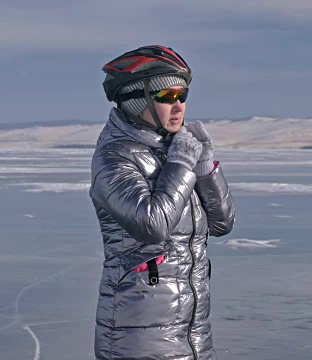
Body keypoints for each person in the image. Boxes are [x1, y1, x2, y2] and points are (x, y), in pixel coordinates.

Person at [89, 45, 236, 359]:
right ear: (136, 99)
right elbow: (151, 225)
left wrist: (205, 165)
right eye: (166, 96)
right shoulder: (114, 159)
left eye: (182, 95)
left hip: (192, 333)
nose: (179, 106)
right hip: (138, 338)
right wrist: (181, 165)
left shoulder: (171, 152)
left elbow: (222, 222)